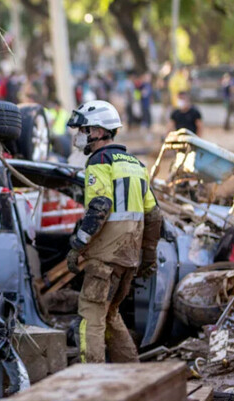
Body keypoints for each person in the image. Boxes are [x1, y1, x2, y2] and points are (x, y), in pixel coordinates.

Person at [65, 100, 162, 364]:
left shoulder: (100, 160)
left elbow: (100, 206)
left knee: (91, 317)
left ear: (98, 131)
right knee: (110, 315)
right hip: (128, 260)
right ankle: (132, 374)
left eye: (83, 130)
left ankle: (91, 381)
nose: (79, 136)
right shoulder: (136, 165)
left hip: (105, 259)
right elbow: (154, 215)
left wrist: (78, 245)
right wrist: (148, 256)